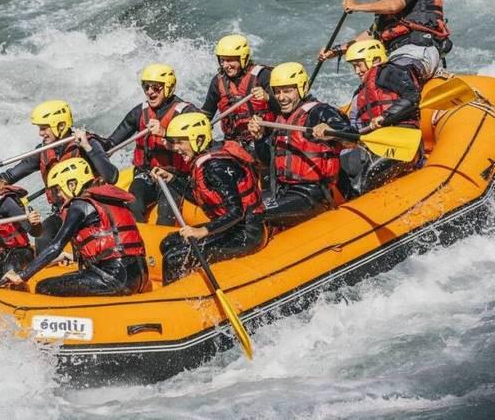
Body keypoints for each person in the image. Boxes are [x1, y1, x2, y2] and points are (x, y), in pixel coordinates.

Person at [3, 158, 149, 296]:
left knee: (43, 287)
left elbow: (56, 245)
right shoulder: (111, 200)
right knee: (68, 278)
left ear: (72, 184)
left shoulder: (79, 206)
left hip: (114, 277)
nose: (59, 194)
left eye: (58, 189)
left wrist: (22, 275)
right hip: (139, 274)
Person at [150, 113, 267, 285]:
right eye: (174, 142)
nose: (176, 148)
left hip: (247, 233)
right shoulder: (205, 160)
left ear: (198, 140)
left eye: (180, 142)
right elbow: (203, 198)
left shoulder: (216, 166)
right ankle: (190, 282)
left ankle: (179, 301)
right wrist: (172, 179)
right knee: (169, 243)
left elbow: (236, 212)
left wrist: (202, 231)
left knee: (174, 258)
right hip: (230, 228)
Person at [318, 0, 452, 84]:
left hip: (419, 50)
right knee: (364, 94)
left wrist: (357, 6)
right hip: (396, 56)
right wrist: (335, 51)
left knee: (389, 79)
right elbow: (371, 34)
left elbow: (395, 5)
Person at [0, 100, 118, 252]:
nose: (40, 133)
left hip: (90, 210)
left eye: (44, 128)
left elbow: (111, 176)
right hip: (61, 211)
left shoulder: (88, 142)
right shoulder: (42, 151)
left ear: (61, 125)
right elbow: (10, 175)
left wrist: (87, 147)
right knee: (42, 238)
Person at [247, 62, 354, 229]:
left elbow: (352, 138)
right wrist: (259, 138)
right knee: (245, 206)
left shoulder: (319, 112)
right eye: (277, 92)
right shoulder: (282, 119)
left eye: (287, 91)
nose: (281, 97)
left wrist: (330, 130)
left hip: (312, 194)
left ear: (302, 88)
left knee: (253, 213)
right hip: (284, 191)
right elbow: (269, 161)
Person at [104, 63, 197, 225]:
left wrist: (164, 133)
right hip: (145, 174)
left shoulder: (186, 112)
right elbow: (112, 142)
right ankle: (135, 243)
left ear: (168, 88)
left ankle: (164, 244)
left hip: (175, 177)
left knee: (166, 213)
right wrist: (88, 143)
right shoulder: (140, 111)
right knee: (133, 201)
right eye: (146, 87)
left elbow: (199, 143)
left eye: (156, 88)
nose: (150, 92)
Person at [339, 40, 422, 197]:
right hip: (375, 146)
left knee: (361, 184)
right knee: (337, 168)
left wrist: (385, 116)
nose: (356, 71)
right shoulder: (359, 94)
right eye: (353, 66)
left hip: (402, 142)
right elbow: (354, 126)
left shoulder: (389, 72)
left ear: (374, 60)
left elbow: (412, 97)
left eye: (359, 65)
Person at [201, 34, 274, 148]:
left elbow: (284, 111)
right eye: (222, 60)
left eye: (230, 60)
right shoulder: (217, 81)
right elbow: (207, 114)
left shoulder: (263, 76)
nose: (225, 65)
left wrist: (268, 97)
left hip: (264, 140)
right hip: (233, 143)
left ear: (243, 58)